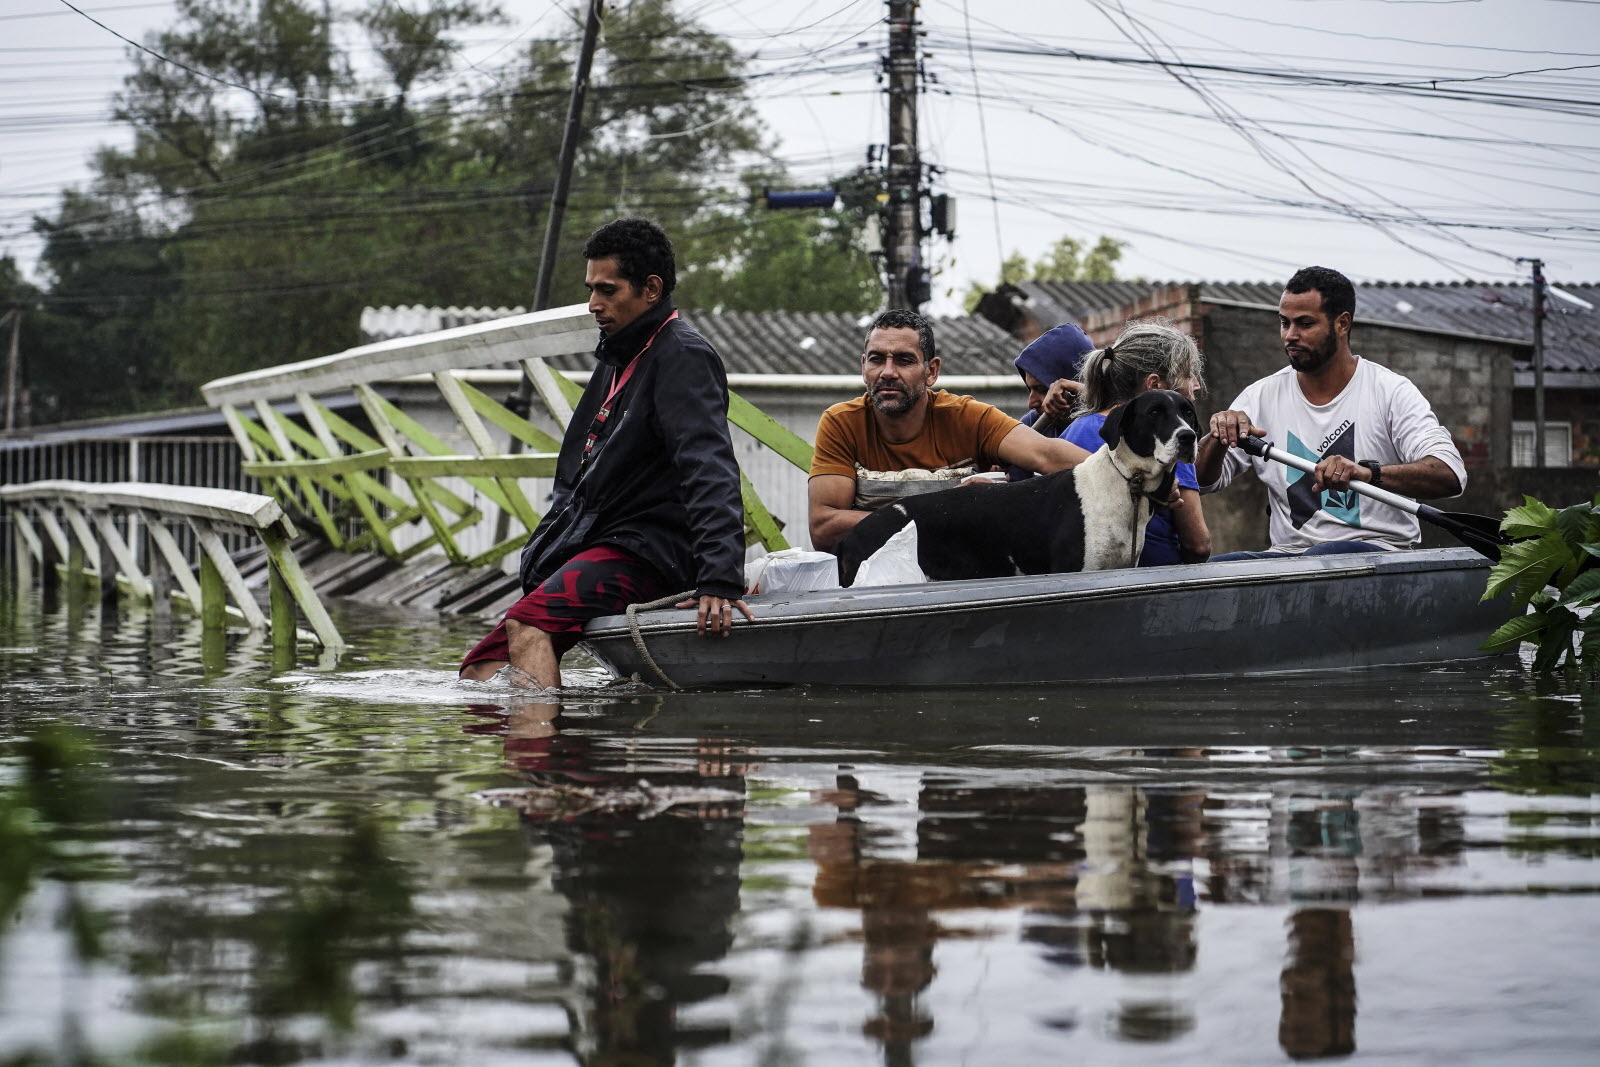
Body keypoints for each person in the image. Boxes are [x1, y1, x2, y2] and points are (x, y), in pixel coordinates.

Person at [459, 217, 752, 688]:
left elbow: (709, 468)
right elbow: (577, 473)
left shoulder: (682, 355)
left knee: (529, 626)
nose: (593, 304)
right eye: (591, 289)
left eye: (607, 290)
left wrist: (719, 579)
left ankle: (543, 737)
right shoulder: (618, 356)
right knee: (479, 669)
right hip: (610, 544)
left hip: (650, 552)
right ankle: (542, 732)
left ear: (651, 289)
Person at [1195, 265, 1466, 559]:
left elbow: (1449, 474)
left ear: (1342, 323)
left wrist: (1368, 473)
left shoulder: (1390, 391)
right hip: (1288, 557)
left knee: (1324, 556)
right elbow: (1200, 481)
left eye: (1305, 323)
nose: (1290, 335)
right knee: (1215, 571)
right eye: (1285, 323)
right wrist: (1218, 438)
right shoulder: (1260, 395)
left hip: (1377, 554)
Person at [807, 308, 1093, 551]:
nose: (888, 372)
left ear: (932, 371)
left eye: (904, 360)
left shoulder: (969, 418)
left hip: (956, 588)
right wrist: (948, 510)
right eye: (876, 359)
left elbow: (1047, 455)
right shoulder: (841, 423)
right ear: (863, 366)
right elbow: (824, 529)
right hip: (869, 589)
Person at [1060, 319, 1212, 565]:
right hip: (1153, 578)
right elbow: (1198, 545)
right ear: (1155, 384)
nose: (1195, 385)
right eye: (1188, 374)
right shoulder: (1168, 441)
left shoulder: (1075, 429)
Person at [1005, 322, 1095, 481]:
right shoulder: (1031, 425)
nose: (1031, 403)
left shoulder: (1106, 426)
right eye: (1029, 389)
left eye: (1042, 389)